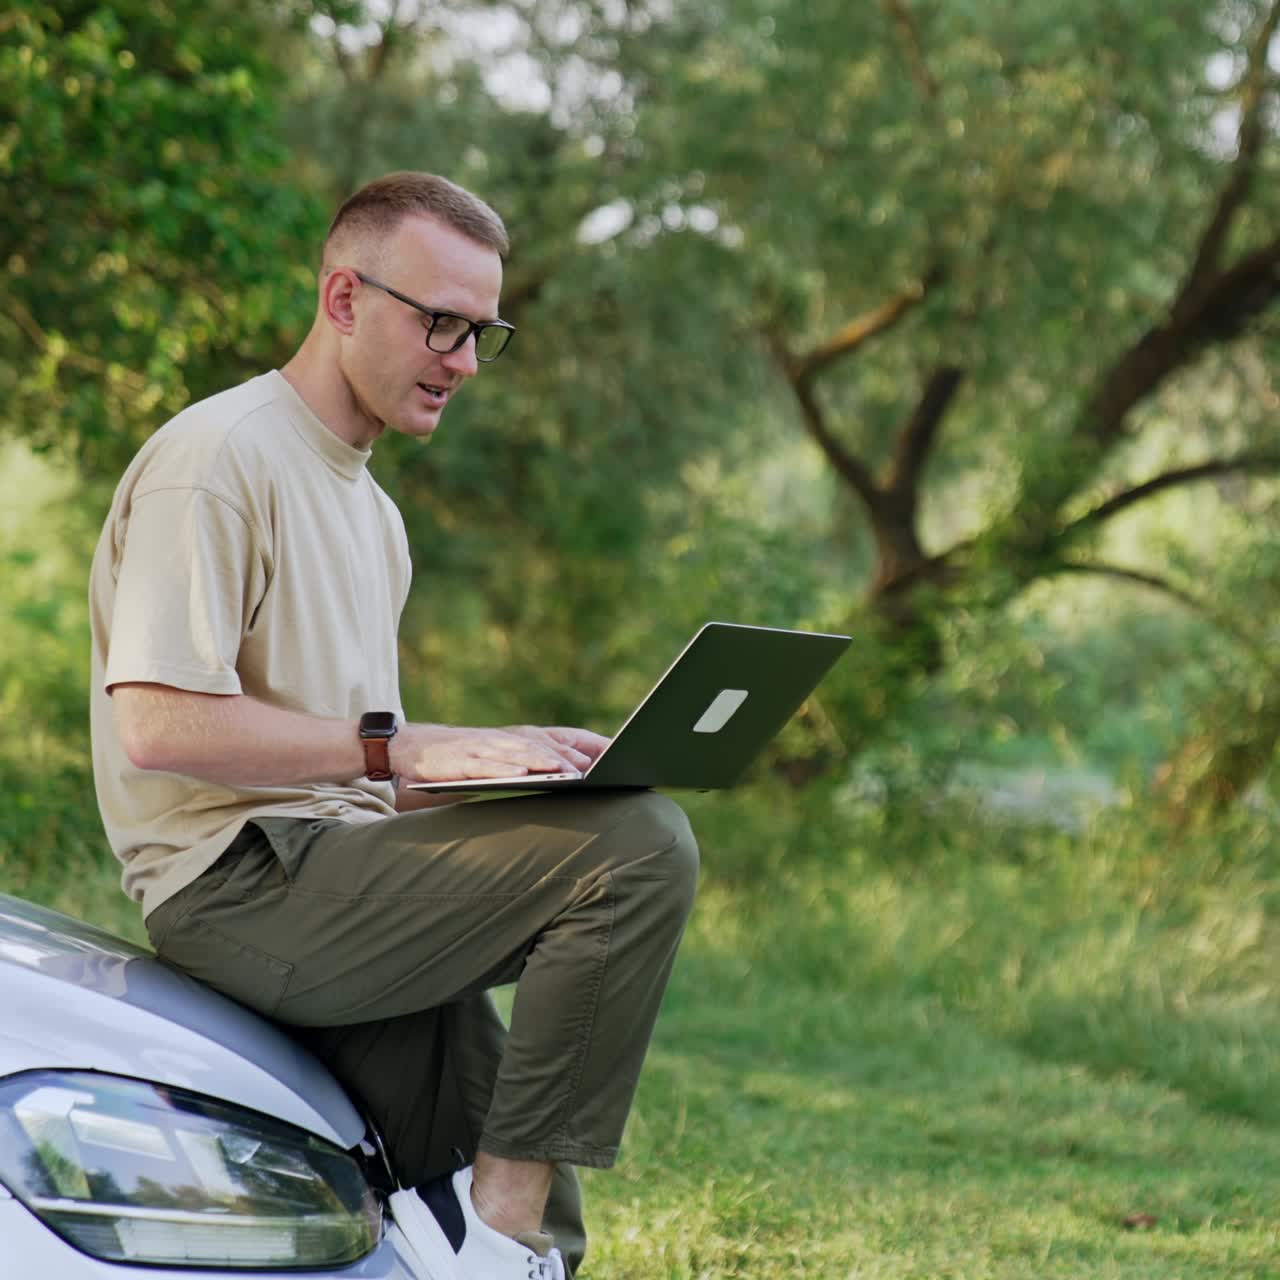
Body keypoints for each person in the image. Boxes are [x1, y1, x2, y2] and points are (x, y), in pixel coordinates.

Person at [88, 171, 700, 1280]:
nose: (464, 360)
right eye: (441, 323)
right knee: (640, 849)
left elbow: (373, 771)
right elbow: (160, 723)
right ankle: (492, 1226)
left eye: (483, 332)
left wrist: (512, 770)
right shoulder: (220, 457)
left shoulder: (373, 515)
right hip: (235, 883)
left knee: (531, 1201)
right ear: (341, 300)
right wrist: (394, 746)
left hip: (343, 869)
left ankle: (506, 1233)